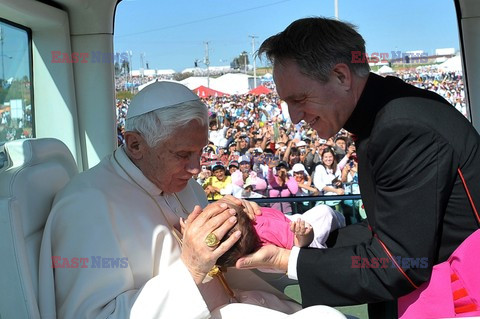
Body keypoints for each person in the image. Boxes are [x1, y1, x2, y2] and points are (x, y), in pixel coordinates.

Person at [235, 17, 480, 319]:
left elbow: (400, 264)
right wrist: (297, 235)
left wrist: (288, 261)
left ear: (341, 76)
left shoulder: (400, 127)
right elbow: (388, 227)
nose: (294, 116)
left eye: (299, 99)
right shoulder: (390, 112)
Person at [38, 81, 345, 319]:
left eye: (199, 152)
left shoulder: (185, 184)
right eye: (183, 155)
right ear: (135, 145)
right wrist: (191, 269)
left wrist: (245, 231)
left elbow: (225, 269)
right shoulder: (87, 205)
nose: (196, 168)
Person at [215, 202, 345, 268]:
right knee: (324, 211)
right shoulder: (265, 231)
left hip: (290, 222)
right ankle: (340, 221)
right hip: (301, 229)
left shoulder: (249, 215)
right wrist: (304, 235)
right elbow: (299, 244)